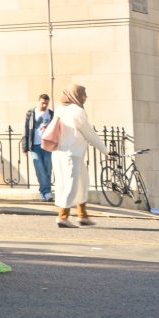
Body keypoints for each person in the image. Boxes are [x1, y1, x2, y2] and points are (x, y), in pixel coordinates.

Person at [50, 84, 108, 228]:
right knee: (71, 184)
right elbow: (89, 134)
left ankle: (83, 215)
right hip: (72, 154)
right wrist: (104, 150)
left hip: (59, 153)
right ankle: (62, 217)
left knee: (81, 183)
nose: (86, 97)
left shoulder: (60, 109)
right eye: (83, 94)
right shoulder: (77, 111)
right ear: (76, 95)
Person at [22, 94, 55, 201]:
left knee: (47, 169)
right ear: (39, 101)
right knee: (40, 169)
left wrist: (48, 128)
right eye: (42, 103)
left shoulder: (51, 114)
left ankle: (44, 192)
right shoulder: (31, 114)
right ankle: (45, 192)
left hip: (48, 145)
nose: (44, 105)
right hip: (35, 145)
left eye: (46, 103)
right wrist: (25, 147)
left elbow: (55, 129)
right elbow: (26, 129)